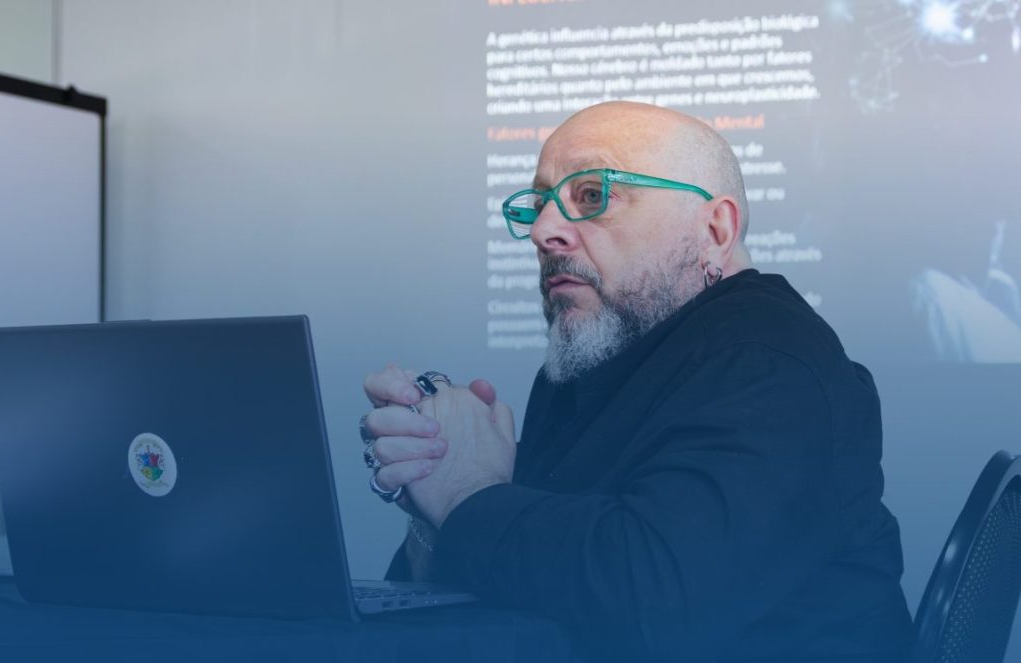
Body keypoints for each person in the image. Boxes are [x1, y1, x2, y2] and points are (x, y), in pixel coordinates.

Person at [359, 101, 913, 662]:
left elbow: (664, 601)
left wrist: (467, 495)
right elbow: (536, 586)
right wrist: (434, 492)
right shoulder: (591, 359)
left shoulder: (769, 362)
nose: (545, 231)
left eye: (593, 195)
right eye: (542, 204)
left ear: (714, 228)